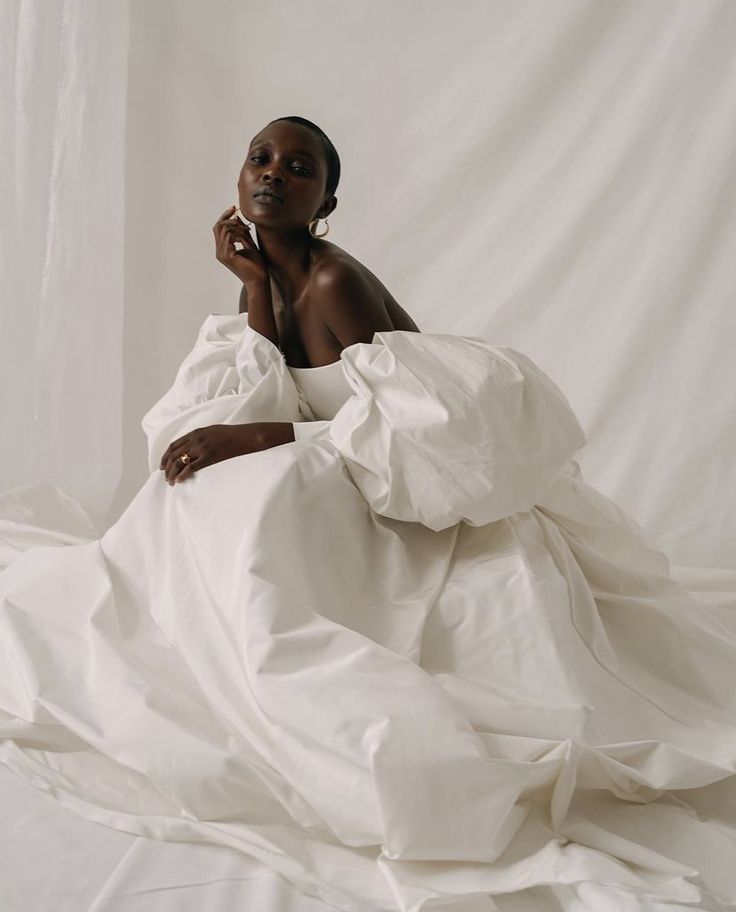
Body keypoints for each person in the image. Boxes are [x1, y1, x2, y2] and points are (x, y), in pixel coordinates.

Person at [1, 116, 735, 912]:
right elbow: (263, 380)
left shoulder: (331, 283)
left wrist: (254, 436)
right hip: (340, 459)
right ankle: (185, 644)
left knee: (260, 497)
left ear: (327, 200)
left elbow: (418, 422)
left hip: (404, 479)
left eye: (299, 167)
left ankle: (275, 660)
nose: (273, 174)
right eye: (260, 159)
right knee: (195, 493)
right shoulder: (268, 272)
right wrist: (249, 288)